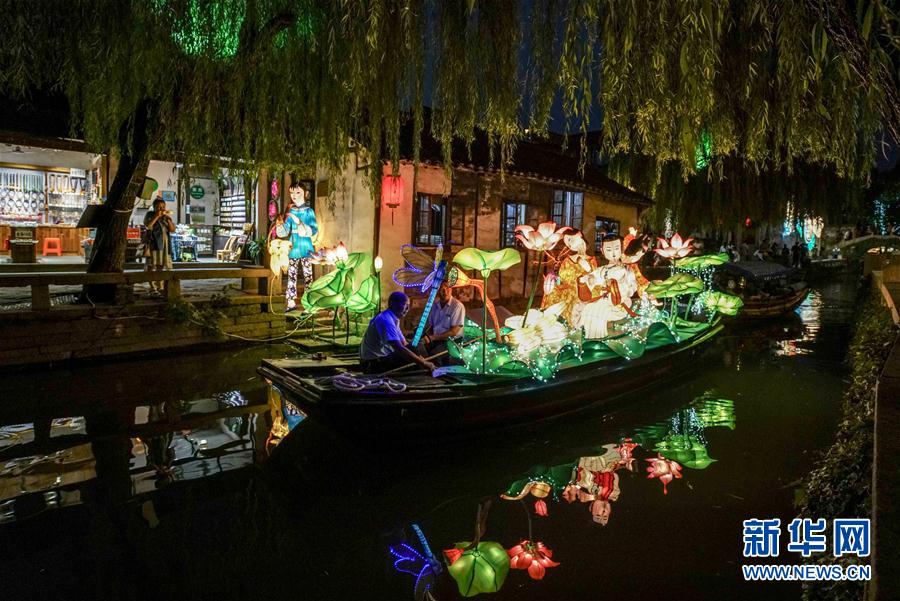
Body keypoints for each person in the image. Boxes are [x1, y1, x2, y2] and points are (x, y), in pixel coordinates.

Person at [360, 291, 437, 374]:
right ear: (393, 304)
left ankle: (428, 370)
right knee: (411, 355)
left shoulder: (394, 319)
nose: (407, 309)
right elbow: (399, 348)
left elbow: (404, 343)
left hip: (380, 359)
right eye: (405, 305)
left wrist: (421, 358)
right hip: (373, 364)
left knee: (415, 346)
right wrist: (423, 363)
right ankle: (423, 374)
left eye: (408, 306)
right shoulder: (386, 320)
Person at [275, 185, 319, 311]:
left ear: (305, 193)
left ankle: (309, 302)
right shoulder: (291, 211)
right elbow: (284, 231)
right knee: (292, 275)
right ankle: (290, 302)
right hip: (293, 246)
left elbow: (314, 229)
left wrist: (300, 223)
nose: (294, 195)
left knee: (308, 275)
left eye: (298, 192)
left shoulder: (309, 211)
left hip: (305, 245)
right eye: (292, 193)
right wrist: (280, 225)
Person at [420, 282, 465, 362]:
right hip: (436, 340)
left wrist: (433, 337)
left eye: (447, 288)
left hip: (452, 342)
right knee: (419, 350)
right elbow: (431, 326)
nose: (445, 291)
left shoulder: (457, 306)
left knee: (433, 356)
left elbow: (454, 331)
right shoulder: (434, 306)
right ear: (437, 291)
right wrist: (423, 335)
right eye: (441, 289)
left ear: (451, 289)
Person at [143, 196, 175, 296]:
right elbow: (148, 226)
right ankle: (152, 287)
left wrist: (169, 220)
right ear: (154, 207)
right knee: (151, 265)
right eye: (159, 207)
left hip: (165, 245)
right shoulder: (150, 214)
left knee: (161, 266)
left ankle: (160, 286)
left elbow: (172, 230)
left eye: (163, 207)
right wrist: (156, 216)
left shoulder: (165, 217)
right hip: (154, 244)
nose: (161, 209)